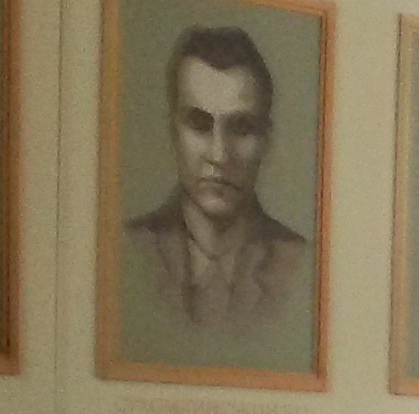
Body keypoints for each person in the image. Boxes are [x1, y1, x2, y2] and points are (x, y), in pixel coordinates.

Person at [124, 26, 309, 334]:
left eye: (241, 128)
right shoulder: (128, 252)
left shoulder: (301, 265)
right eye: (199, 124)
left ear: (266, 140)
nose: (219, 155)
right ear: (173, 131)